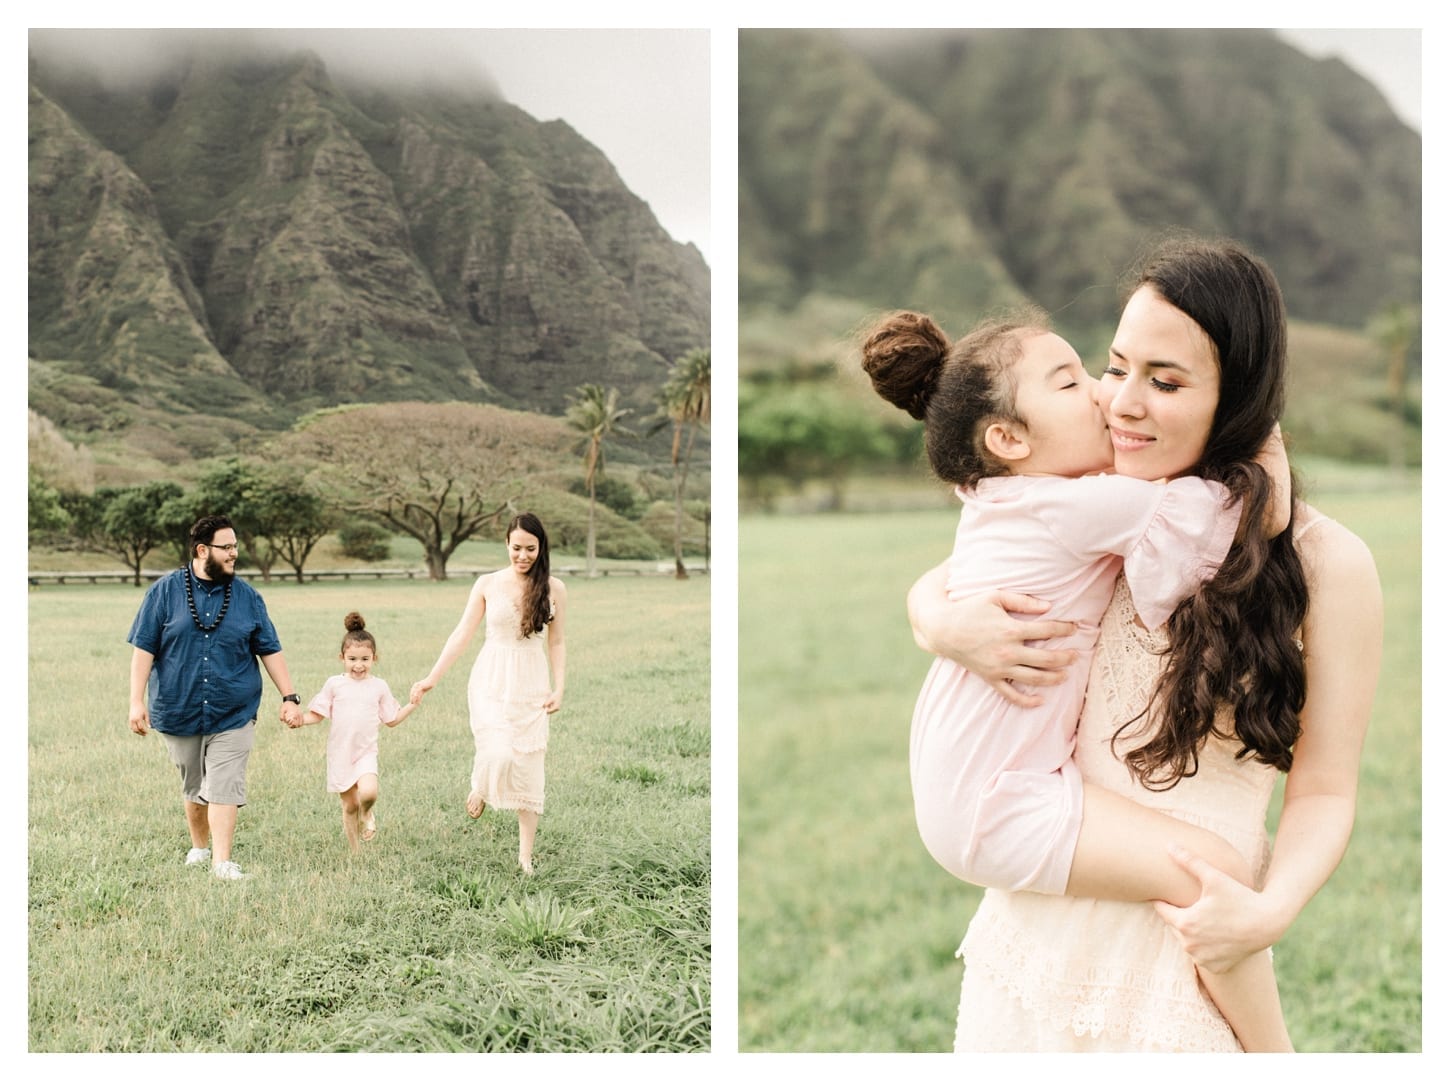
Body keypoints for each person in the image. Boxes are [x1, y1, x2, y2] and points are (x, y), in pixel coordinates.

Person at [906, 236, 1382, 1051]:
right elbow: (959, 572)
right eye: (1115, 366)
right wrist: (940, 623)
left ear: (1239, 397)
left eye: (1163, 381)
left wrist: (1269, 911)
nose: (1120, 400)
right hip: (1037, 944)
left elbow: (1327, 789)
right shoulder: (1098, 509)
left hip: (1191, 958)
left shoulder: (1327, 561)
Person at [861, 306, 1291, 1050]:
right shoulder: (1074, 502)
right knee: (1210, 870)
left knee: (1204, 868)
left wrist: (931, 612)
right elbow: (1233, 514)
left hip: (970, 774)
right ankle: (1277, 1055)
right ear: (1008, 439)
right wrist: (1268, 445)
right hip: (995, 798)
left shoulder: (1008, 494)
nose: (1100, 392)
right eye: (1070, 382)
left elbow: (943, 581)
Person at [127, 514, 304, 880]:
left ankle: (222, 862)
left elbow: (269, 649)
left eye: (236, 546)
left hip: (233, 709)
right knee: (194, 785)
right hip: (178, 706)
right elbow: (144, 650)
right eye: (227, 547)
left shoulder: (248, 597)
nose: (235, 553)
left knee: (225, 783)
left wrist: (289, 696)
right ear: (202, 550)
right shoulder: (163, 592)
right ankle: (200, 847)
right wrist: (135, 701)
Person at [410, 513, 567, 875]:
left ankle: (525, 857)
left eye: (530, 548)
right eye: (516, 548)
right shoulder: (488, 583)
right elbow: (461, 633)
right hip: (491, 678)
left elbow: (557, 642)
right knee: (497, 751)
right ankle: (481, 784)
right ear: (506, 546)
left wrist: (560, 688)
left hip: (532, 681)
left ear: (541, 548)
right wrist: (431, 678)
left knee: (529, 767)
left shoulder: (554, 588)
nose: (523, 556)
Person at [294, 611, 417, 851]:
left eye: (364, 659)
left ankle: (367, 814)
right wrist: (300, 720)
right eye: (352, 659)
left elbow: (391, 719)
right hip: (340, 754)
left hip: (365, 752)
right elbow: (317, 715)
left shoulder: (379, 686)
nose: (358, 665)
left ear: (374, 658)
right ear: (342, 657)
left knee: (369, 793)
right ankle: (355, 850)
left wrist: (413, 703)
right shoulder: (334, 684)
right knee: (349, 805)